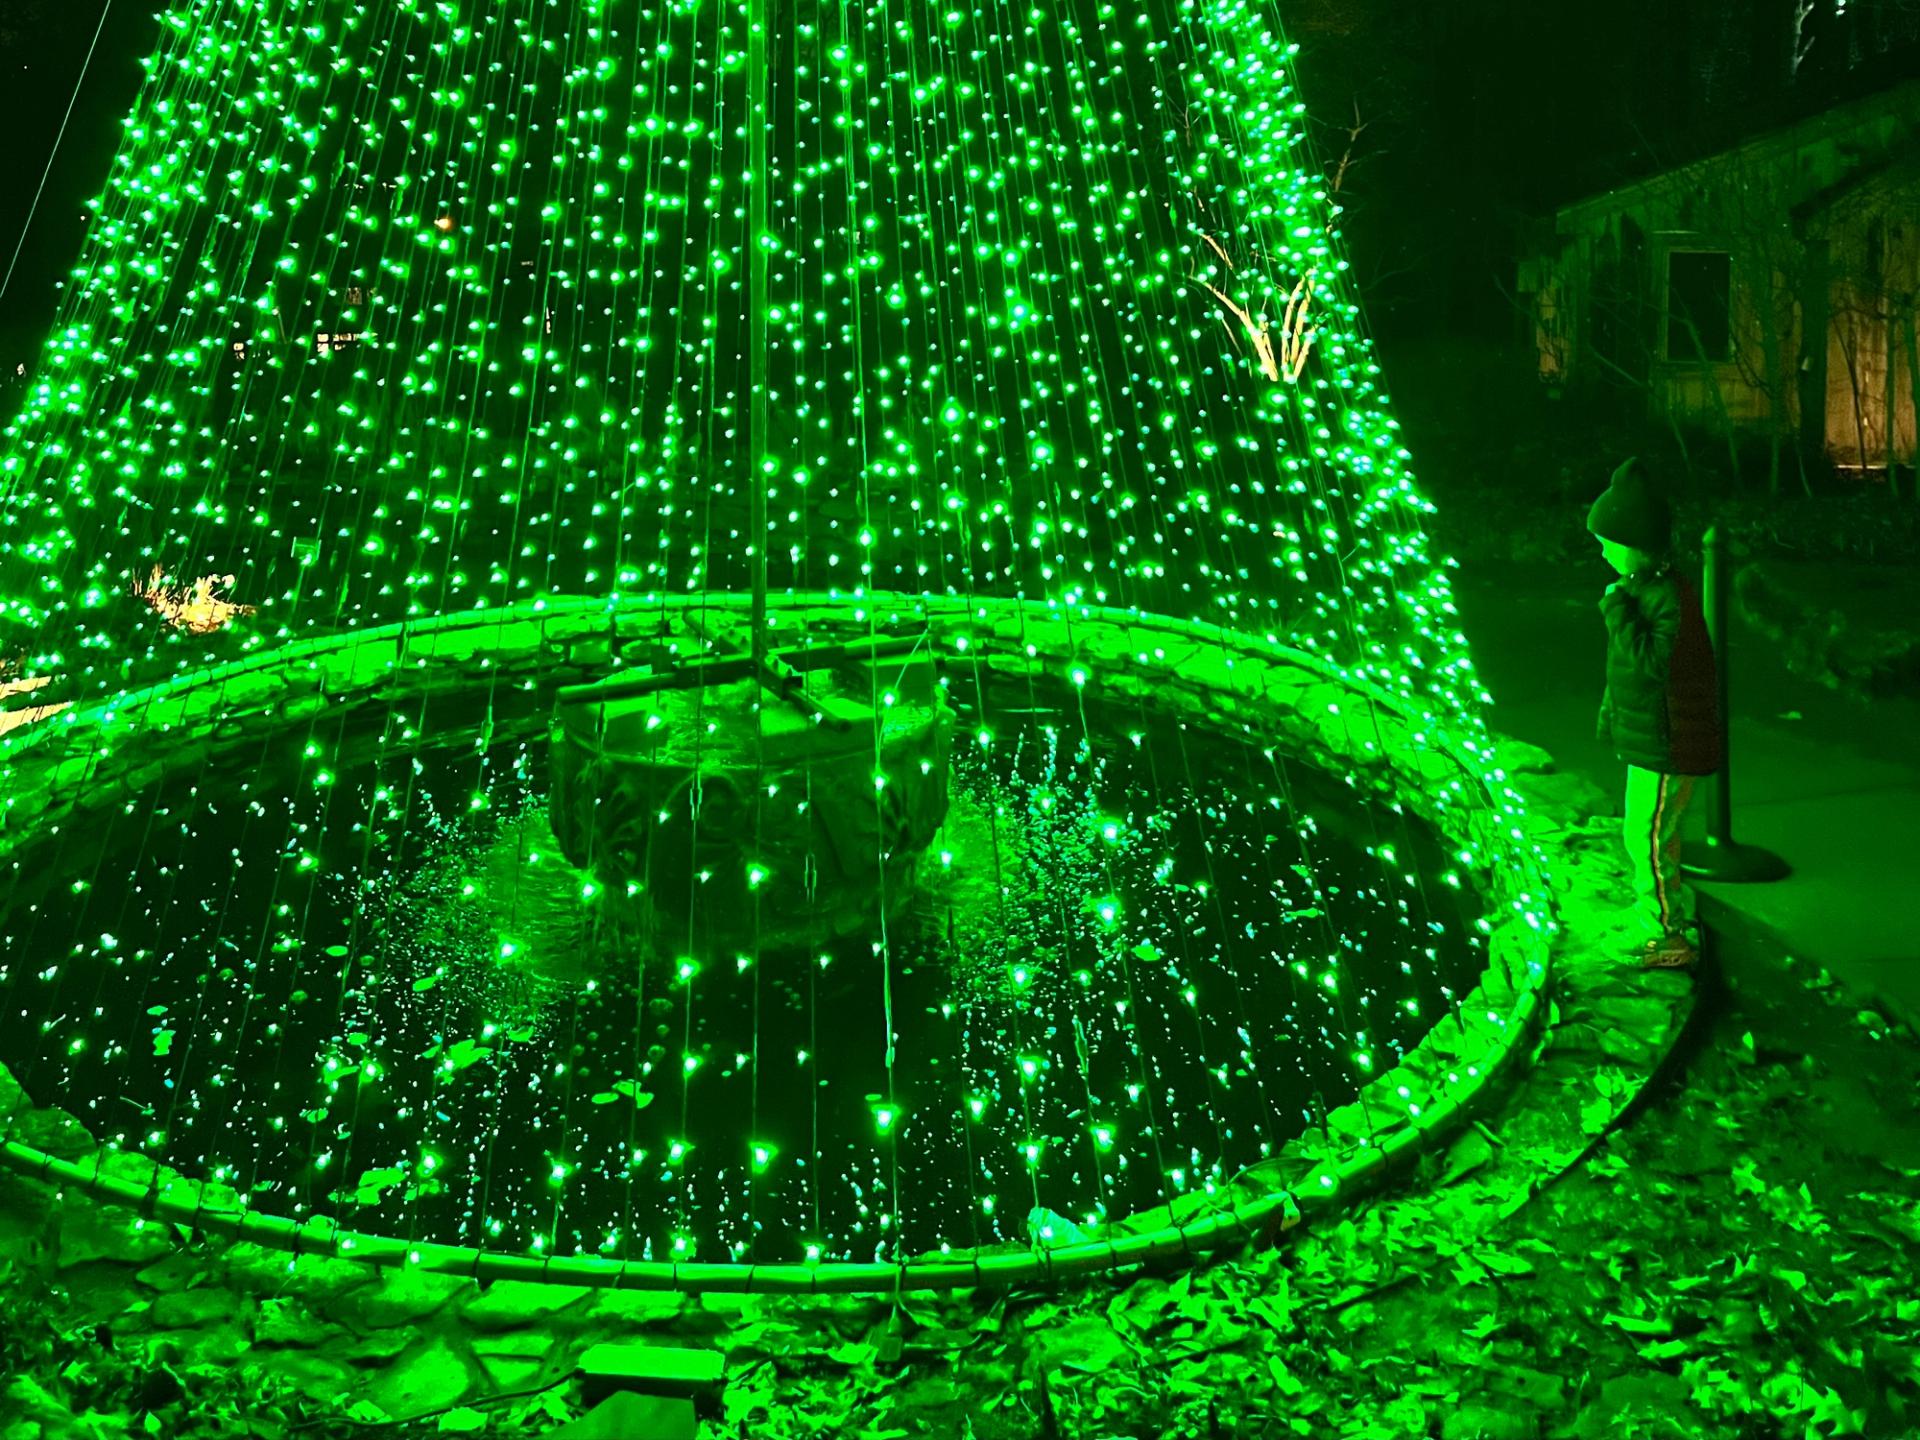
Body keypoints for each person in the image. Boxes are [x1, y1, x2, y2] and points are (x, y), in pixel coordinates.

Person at [1587, 457, 1722, 969]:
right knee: (1646, 833)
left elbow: (1651, 666)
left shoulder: (1664, 597)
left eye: (1608, 544)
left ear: (1635, 545)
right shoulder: (1644, 589)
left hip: (1669, 744)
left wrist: (1616, 610)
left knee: (1647, 836)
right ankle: (1657, 912)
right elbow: (1625, 673)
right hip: (1653, 739)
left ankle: (1664, 934)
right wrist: (1613, 717)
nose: (1603, 553)